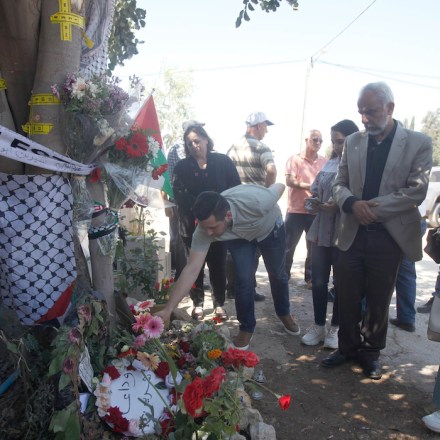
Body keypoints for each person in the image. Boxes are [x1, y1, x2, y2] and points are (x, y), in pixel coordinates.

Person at [321, 81, 432, 380]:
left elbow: (416, 192)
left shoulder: (418, 142)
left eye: (370, 112)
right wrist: (352, 204)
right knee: (346, 293)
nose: (364, 119)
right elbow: (338, 183)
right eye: (361, 112)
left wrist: (371, 208)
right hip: (352, 233)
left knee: (379, 297)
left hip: (389, 235)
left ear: (390, 108)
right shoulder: (354, 142)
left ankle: (371, 354)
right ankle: (346, 348)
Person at [155, 183, 300, 349]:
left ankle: (284, 313)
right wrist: (168, 309)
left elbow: (280, 186)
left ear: (228, 216)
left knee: (277, 274)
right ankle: (246, 328)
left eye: (212, 227)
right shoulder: (204, 229)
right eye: (204, 227)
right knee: (243, 280)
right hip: (239, 237)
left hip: (269, 229)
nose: (208, 233)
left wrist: (266, 191)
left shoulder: (259, 201)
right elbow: (192, 269)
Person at [172, 124, 241, 321]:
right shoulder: (182, 167)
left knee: (218, 265)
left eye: (197, 141)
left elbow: (235, 189)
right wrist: (201, 209)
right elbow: (178, 193)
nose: (194, 146)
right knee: (194, 266)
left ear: (206, 140)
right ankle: (198, 303)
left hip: (219, 226)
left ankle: (219, 303)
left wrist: (216, 210)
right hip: (190, 225)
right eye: (189, 143)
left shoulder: (223, 162)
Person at [301, 120, 359, 349]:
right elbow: (314, 191)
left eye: (341, 141)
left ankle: (335, 329)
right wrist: (312, 203)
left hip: (344, 233)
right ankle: (318, 327)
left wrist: (339, 205)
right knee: (318, 282)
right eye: (334, 141)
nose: (336, 146)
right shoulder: (329, 164)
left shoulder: (359, 167)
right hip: (321, 232)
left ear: (353, 141)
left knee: (342, 284)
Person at [226, 111, 278, 302]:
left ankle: (232, 287)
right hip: (255, 207)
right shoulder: (262, 147)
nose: (266, 131)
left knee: (235, 246)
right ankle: (248, 287)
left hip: (234, 206)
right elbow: (272, 170)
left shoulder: (232, 149)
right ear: (256, 126)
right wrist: (267, 194)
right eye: (265, 126)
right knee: (253, 249)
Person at [284, 130, 327, 287]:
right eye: (315, 139)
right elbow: (289, 181)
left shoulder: (324, 161)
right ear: (307, 140)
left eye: (321, 141)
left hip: (315, 211)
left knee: (314, 248)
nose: (318, 143)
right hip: (295, 211)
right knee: (288, 246)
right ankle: (283, 275)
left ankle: (310, 278)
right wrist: (311, 186)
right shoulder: (294, 159)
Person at [165, 120, 205, 277]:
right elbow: (170, 179)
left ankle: (187, 276)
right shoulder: (180, 149)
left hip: (184, 200)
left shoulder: (175, 148)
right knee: (185, 240)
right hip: (182, 202)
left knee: (184, 239)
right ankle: (187, 277)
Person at [389, 205, 427, 332]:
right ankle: (406, 318)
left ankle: (367, 314)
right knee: (406, 272)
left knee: (380, 268)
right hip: (416, 219)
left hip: (400, 221)